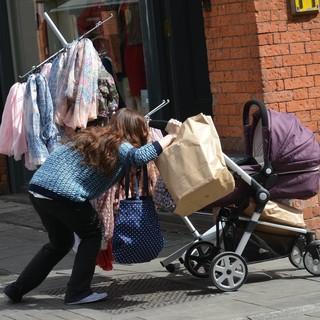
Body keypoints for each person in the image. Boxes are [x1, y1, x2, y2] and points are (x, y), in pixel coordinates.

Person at [3, 108, 181, 305]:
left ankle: (16, 289)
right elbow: (138, 157)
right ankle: (77, 292)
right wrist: (172, 135)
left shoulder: (94, 137)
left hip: (39, 190)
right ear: (133, 130)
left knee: (59, 244)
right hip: (64, 194)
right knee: (92, 234)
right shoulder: (118, 143)